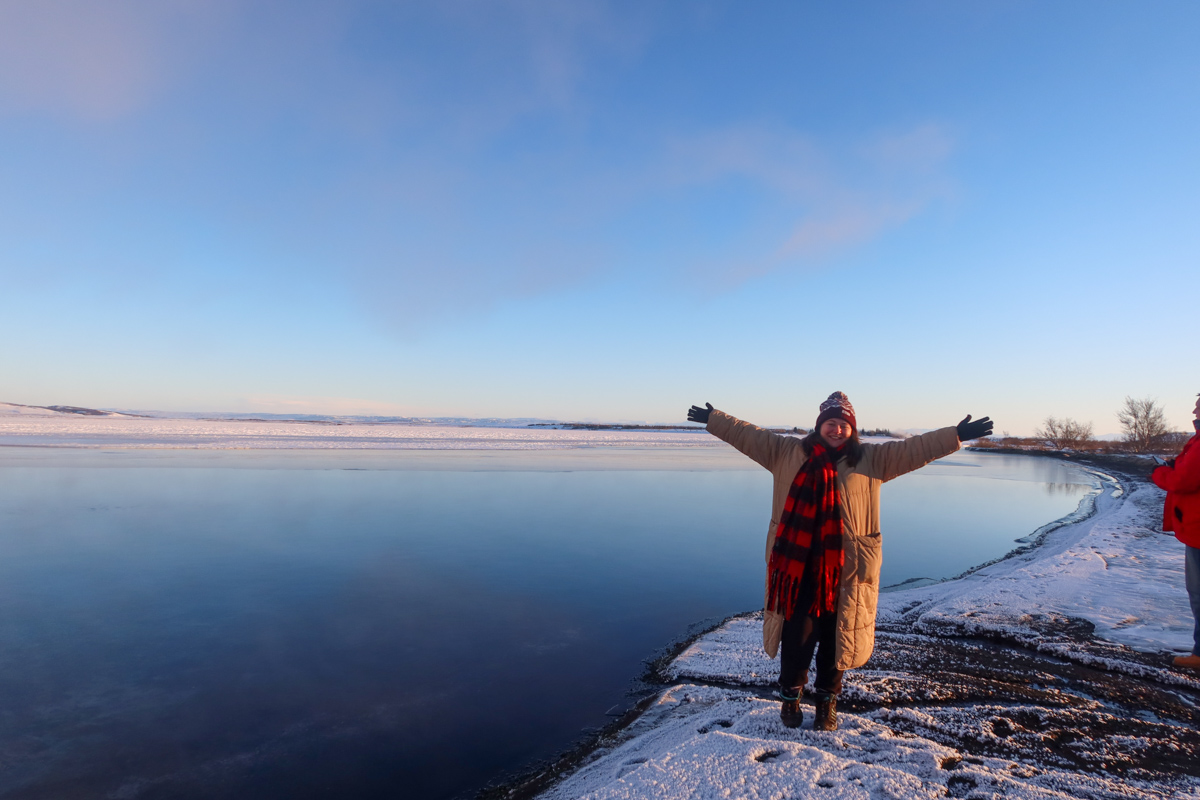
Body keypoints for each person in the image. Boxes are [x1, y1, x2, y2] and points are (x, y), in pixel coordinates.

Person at [686, 393, 993, 731]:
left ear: (853, 429)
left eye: (843, 425)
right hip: (798, 568)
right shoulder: (787, 452)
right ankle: (790, 699)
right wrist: (715, 419)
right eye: (830, 423)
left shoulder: (871, 459)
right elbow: (750, 435)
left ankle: (826, 705)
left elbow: (914, 449)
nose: (836, 430)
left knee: (838, 639)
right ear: (819, 426)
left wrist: (956, 435)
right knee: (797, 640)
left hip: (846, 570)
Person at [1151, 394, 1200, 672]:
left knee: (1199, 592)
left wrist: (1160, 472)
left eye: (1199, 405)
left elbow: (1184, 480)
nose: (1194, 409)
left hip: (1198, 528)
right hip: (1195, 526)